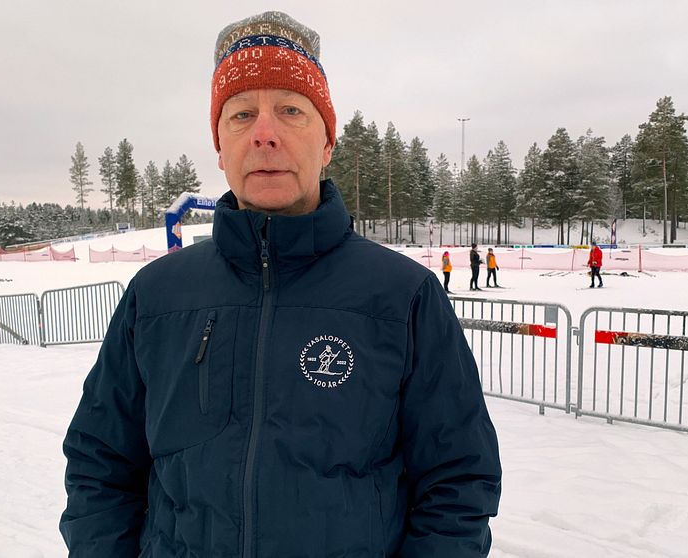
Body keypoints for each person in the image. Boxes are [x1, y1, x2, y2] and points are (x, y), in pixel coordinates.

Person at [60, 12, 501, 558]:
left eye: (290, 110)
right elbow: (99, 466)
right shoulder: (155, 297)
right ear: (220, 147)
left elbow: (458, 483)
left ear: (328, 142)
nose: (265, 134)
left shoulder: (403, 298)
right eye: (242, 114)